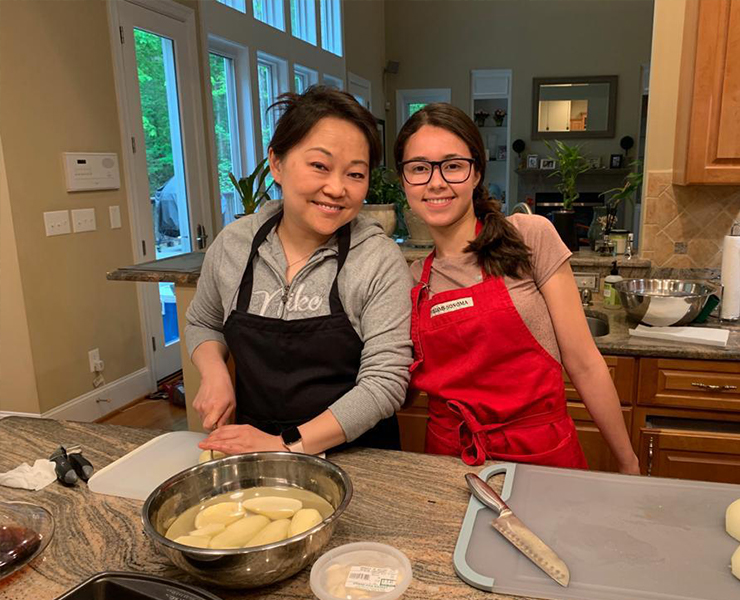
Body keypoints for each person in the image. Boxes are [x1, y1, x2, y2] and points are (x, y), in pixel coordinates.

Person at [395, 103, 639, 473]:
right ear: (404, 181)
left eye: (453, 165)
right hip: (450, 464)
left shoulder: (529, 237)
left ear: (476, 172)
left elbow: (585, 363)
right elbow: (404, 392)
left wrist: (628, 462)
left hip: (541, 456)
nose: (436, 182)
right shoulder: (411, 280)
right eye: (419, 168)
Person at [185, 86, 413, 456]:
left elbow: (384, 383)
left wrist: (286, 445)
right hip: (253, 450)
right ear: (277, 163)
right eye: (319, 166)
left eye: (355, 174)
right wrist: (214, 373)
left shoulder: (378, 260)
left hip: (359, 456)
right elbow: (203, 322)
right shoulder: (234, 245)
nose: (336, 188)